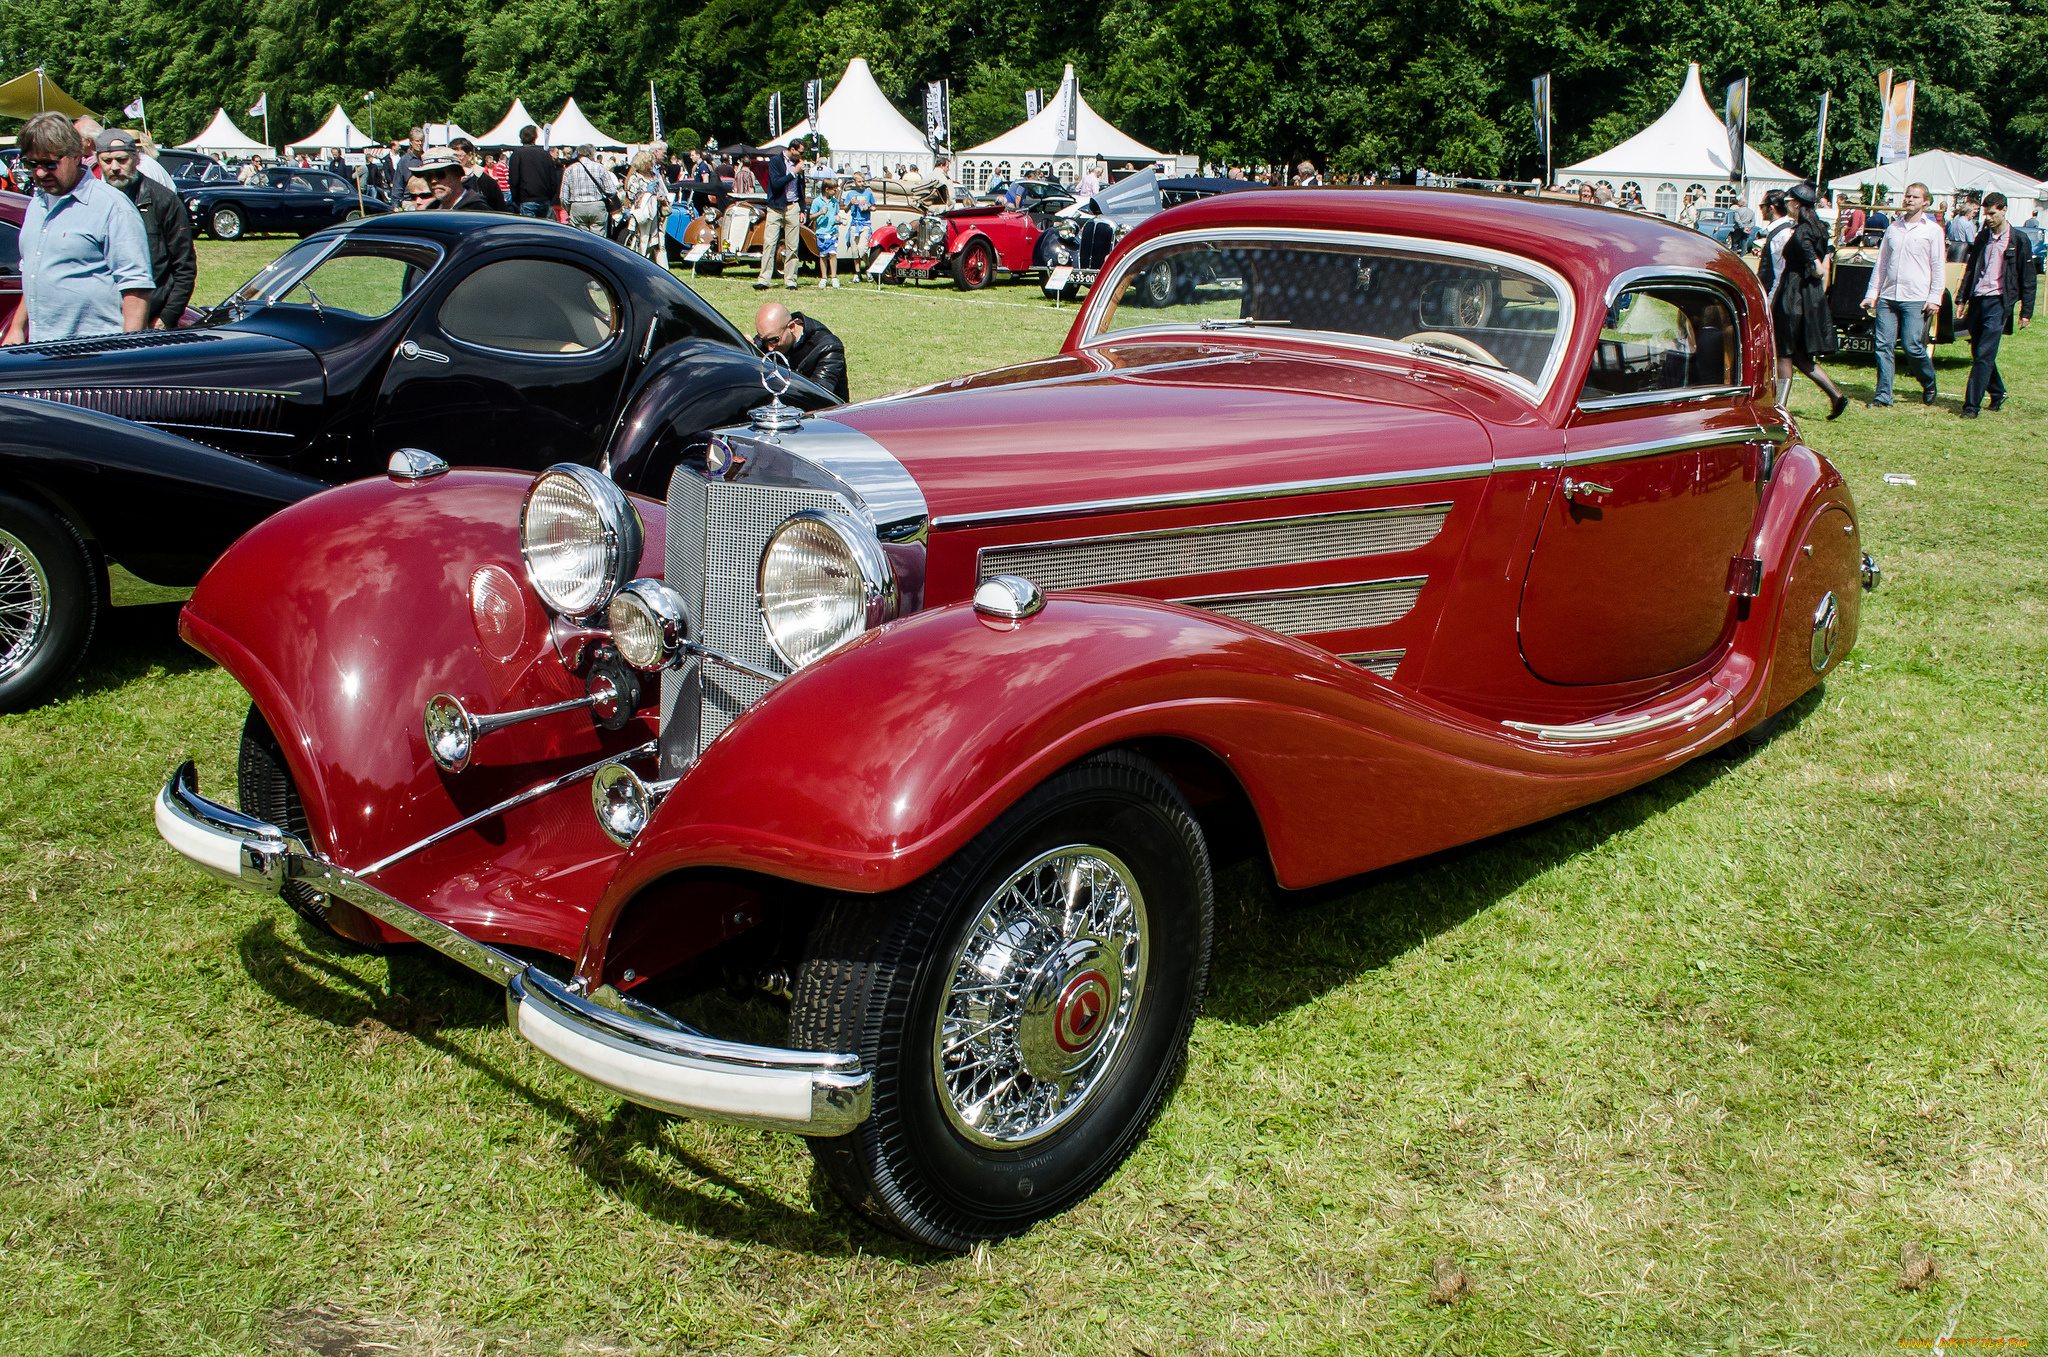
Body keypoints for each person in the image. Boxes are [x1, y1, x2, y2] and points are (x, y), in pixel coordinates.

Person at [3, 113, 153, 345]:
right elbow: (34, 275)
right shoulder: (37, 203)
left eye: (50, 164)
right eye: (32, 164)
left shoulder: (112, 207)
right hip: (41, 349)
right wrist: (17, 328)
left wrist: (127, 352)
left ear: (76, 157)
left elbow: (136, 288)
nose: (40, 173)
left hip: (93, 352)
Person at [95, 131, 195, 330]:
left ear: (135, 159)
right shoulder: (92, 203)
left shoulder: (164, 201)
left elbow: (185, 266)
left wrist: (167, 317)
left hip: (152, 319)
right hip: (104, 321)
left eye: (121, 160)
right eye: (107, 161)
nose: (114, 167)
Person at [1859, 181, 1944, 407]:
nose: (1909, 200)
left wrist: (1935, 298)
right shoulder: (1893, 228)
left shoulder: (1933, 230)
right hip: (1888, 296)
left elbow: (1938, 266)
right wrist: (1872, 294)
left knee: (1912, 346)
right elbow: (1882, 263)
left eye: (1915, 197)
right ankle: (1883, 396)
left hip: (1916, 298)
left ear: (1925, 202)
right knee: (1883, 346)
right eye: (1907, 196)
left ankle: (1928, 381)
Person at [1771, 181, 1850, 420]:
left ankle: (1779, 408)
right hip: (1808, 296)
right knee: (1801, 356)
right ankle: (1836, 396)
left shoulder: (1802, 232)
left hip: (1793, 295)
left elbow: (1817, 268)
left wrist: (1810, 270)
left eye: (1788, 202)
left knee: (1783, 353)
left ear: (1796, 204)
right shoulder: (1819, 228)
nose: (1786, 206)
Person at [1956, 191, 2037, 417]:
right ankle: (1998, 391)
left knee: (1984, 353)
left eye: (1992, 213)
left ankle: (1971, 406)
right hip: (1978, 299)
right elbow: (1971, 269)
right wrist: (1961, 298)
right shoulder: (1983, 237)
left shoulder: (2019, 239)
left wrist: (2026, 311)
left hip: (1999, 302)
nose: (1988, 218)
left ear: (2003, 210)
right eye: (1985, 214)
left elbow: (2028, 278)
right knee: (1978, 350)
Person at [753, 302, 847, 400]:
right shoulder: (773, 333)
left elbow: (818, 396)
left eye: (774, 340)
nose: (769, 348)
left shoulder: (828, 347)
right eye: (764, 340)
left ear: (792, 327)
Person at [756, 138, 807, 291]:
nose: (801, 156)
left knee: (793, 245)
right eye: (800, 152)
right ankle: (764, 279)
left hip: (793, 207)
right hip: (776, 207)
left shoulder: (799, 164)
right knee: (770, 243)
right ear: (792, 149)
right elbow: (776, 183)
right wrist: (793, 173)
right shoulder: (776, 162)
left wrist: (802, 209)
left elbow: (801, 187)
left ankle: (790, 280)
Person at [622, 150, 670, 266]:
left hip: (656, 216)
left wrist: (661, 198)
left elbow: (662, 191)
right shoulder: (635, 177)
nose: (651, 164)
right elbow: (632, 196)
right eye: (649, 162)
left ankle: (664, 270)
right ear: (643, 163)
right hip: (642, 216)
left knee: (659, 243)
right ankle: (638, 266)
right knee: (641, 242)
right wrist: (651, 197)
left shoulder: (654, 176)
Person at [558, 143, 618, 235]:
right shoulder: (600, 167)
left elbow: (563, 197)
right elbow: (612, 190)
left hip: (577, 206)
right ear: (591, 154)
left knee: (581, 238)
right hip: (596, 205)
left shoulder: (569, 170)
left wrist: (568, 209)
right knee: (598, 238)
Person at [508, 125, 558, 218]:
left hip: (527, 199)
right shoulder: (544, 154)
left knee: (531, 229)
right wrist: (549, 196)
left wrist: (516, 199)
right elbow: (553, 179)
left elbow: (514, 179)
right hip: (543, 198)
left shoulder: (517, 154)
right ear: (535, 137)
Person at [447, 138, 506, 211]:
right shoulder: (443, 180)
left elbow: (500, 210)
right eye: (451, 157)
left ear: (470, 156)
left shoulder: (485, 182)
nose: (454, 160)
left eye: (458, 156)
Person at [418, 154, 487, 210]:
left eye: (440, 174)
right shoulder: (432, 209)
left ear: (457, 174)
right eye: (428, 176)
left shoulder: (477, 211)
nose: (433, 181)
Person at [841, 170, 876, 272]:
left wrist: (869, 208)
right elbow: (846, 210)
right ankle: (858, 273)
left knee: (862, 249)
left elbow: (874, 206)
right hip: (855, 223)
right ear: (854, 182)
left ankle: (868, 266)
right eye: (859, 182)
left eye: (863, 181)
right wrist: (851, 204)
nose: (862, 184)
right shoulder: (850, 194)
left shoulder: (868, 193)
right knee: (855, 249)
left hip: (865, 223)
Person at [811, 179, 841, 287]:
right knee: (823, 255)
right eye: (834, 190)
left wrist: (838, 218)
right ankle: (824, 277)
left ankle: (834, 277)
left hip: (833, 231)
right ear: (827, 189)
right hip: (821, 232)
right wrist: (820, 213)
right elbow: (811, 216)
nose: (835, 192)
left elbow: (836, 213)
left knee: (832, 253)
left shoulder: (834, 202)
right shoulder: (817, 202)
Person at [1946, 198, 1978, 263]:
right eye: (1972, 213)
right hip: (1962, 249)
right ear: (1967, 213)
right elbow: (1971, 240)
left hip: (1952, 246)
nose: (1973, 215)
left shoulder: (1955, 221)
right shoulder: (1967, 224)